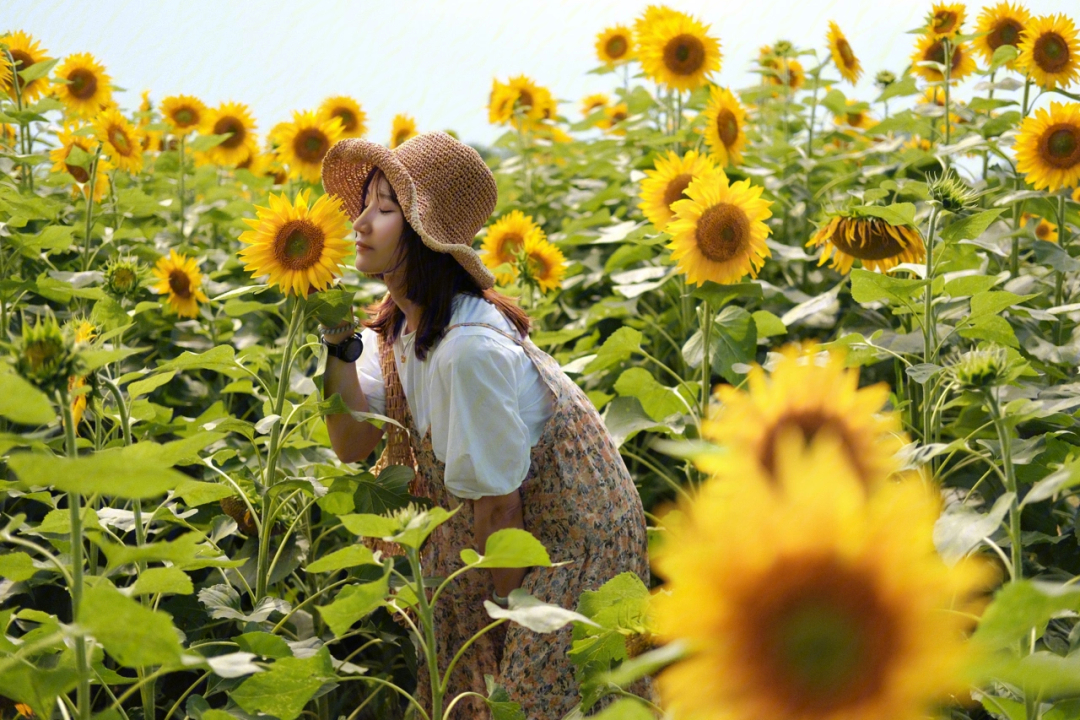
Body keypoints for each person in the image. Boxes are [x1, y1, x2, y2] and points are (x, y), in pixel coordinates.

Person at [319, 131, 649, 720]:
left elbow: (501, 507)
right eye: (364, 204)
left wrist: (500, 625)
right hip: (495, 534)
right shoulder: (398, 331)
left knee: (526, 699)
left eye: (386, 209)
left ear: (424, 237)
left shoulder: (465, 350)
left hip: (570, 544)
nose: (361, 223)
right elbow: (352, 443)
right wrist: (337, 347)